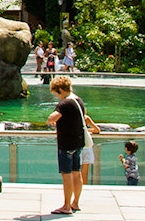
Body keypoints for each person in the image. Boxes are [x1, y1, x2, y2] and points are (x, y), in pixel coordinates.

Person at [46, 75, 86, 215]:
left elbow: (51, 118)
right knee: (77, 173)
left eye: (57, 93)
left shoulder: (64, 104)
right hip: (78, 143)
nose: (57, 96)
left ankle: (66, 206)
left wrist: (51, 122)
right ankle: (76, 203)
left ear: (61, 90)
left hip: (66, 144)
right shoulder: (78, 101)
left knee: (66, 175)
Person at [70, 89, 101, 185]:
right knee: (85, 172)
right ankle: (84, 188)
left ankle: (75, 189)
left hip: (76, 145)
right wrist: (87, 131)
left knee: (74, 171)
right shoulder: (86, 118)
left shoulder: (72, 117)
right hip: (87, 146)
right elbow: (97, 130)